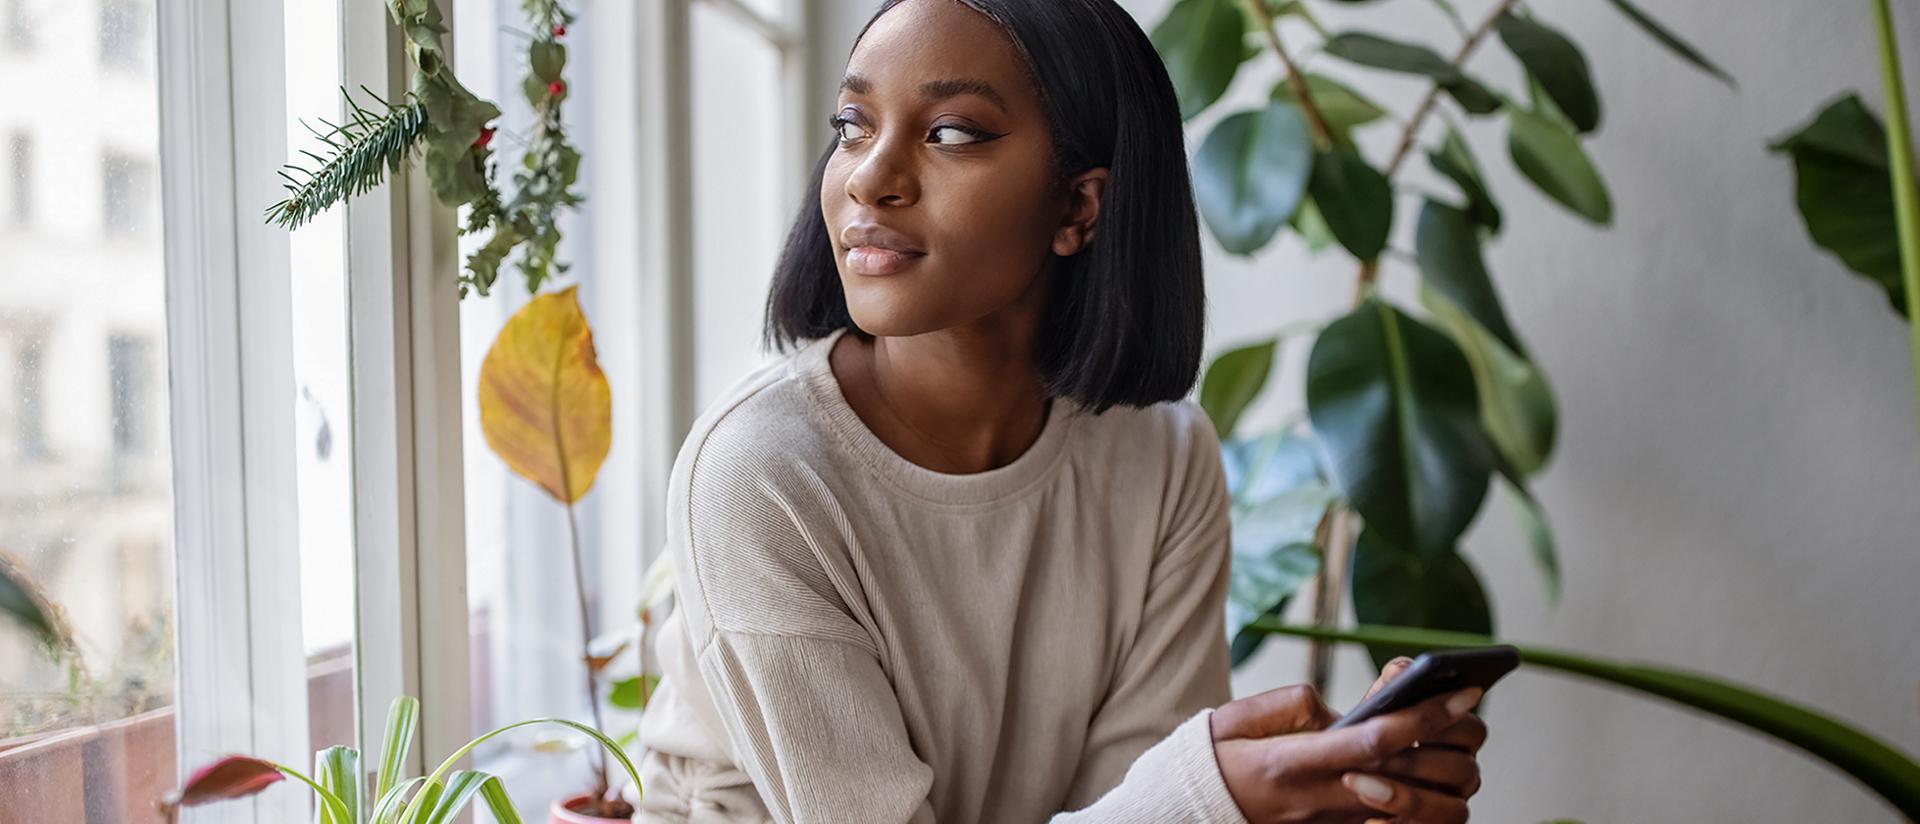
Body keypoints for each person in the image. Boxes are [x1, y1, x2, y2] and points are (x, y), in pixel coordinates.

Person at [632, 1, 1488, 822]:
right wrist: (1212, 802)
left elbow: (1129, 803)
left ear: (1079, 206)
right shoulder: (758, 474)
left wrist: (1326, 796)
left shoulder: (1163, 457)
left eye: (950, 134)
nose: (871, 177)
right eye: (853, 127)